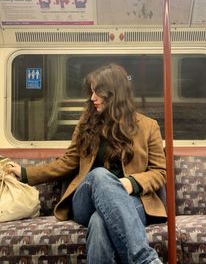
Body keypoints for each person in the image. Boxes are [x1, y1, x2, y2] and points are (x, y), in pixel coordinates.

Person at [8, 63, 167, 264]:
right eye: (91, 92)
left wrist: (131, 183)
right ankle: (146, 260)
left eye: (98, 92)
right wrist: (25, 173)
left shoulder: (148, 126)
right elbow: (68, 162)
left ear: (114, 94)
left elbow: (160, 172)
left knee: (99, 222)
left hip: (131, 200)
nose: (92, 98)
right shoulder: (86, 124)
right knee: (99, 175)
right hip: (86, 198)